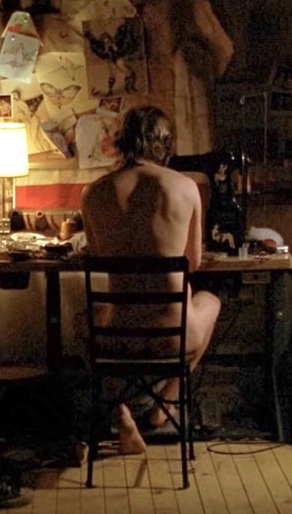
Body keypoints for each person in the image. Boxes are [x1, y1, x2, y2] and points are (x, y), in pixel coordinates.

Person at [80, 105, 221, 454]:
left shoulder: (93, 193)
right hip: (173, 337)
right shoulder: (184, 187)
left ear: (122, 141)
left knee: (83, 320)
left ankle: (121, 414)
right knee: (210, 301)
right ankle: (166, 403)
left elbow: (96, 254)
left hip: (120, 337)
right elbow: (193, 262)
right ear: (164, 142)